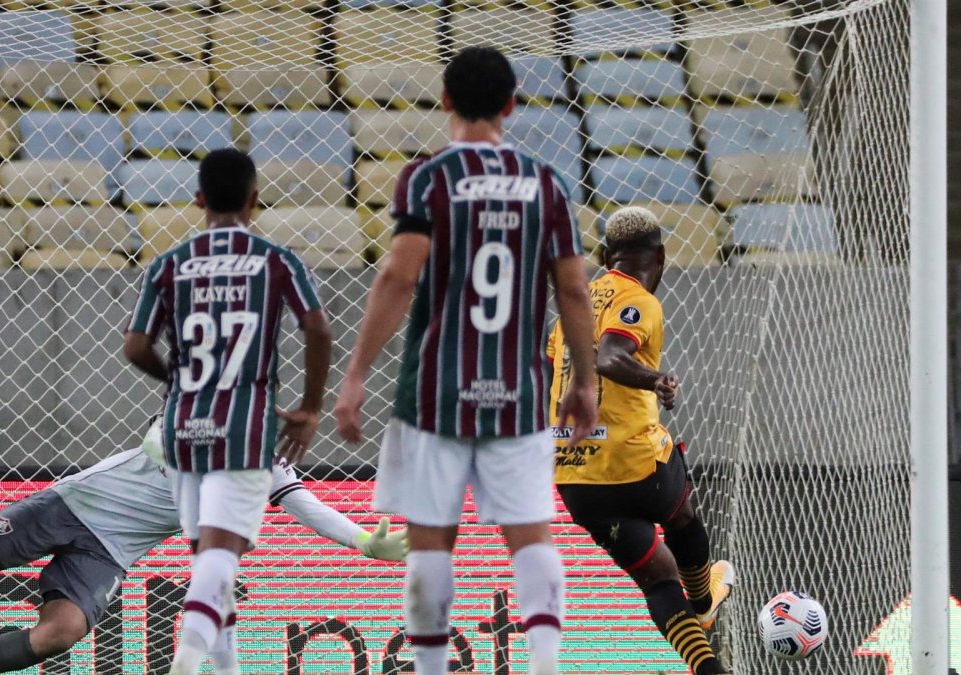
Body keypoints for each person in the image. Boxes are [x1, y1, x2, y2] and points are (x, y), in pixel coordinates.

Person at [333, 46, 599, 675]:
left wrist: (356, 373)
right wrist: (584, 380)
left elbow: (398, 277)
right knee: (531, 533)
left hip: (435, 396)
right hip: (519, 392)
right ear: (511, 105)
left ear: (445, 100)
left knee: (430, 542)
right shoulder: (547, 183)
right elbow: (573, 290)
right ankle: (545, 665)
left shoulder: (428, 178)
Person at [0, 422, 406, 675]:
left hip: (112, 549)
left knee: (60, 633)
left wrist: (364, 540)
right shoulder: (196, 412)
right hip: (75, 504)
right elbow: (157, 448)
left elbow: (304, 504)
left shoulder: (266, 462)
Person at [123, 148, 333, 675]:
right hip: (243, 424)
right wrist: (309, 407)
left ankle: (227, 670)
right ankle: (187, 664)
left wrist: (179, 377)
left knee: (208, 560)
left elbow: (134, 347)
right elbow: (318, 328)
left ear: (198, 200)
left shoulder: (168, 264)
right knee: (222, 552)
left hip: (183, 426)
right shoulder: (276, 259)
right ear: (254, 200)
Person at [549, 206, 736, 675]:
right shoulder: (641, 301)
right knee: (684, 517)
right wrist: (656, 380)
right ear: (661, 256)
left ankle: (709, 668)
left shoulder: (568, 312)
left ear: (605, 254)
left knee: (656, 581)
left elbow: (545, 366)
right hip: (634, 464)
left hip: (576, 477)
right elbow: (612, 357)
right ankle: (703, 598)